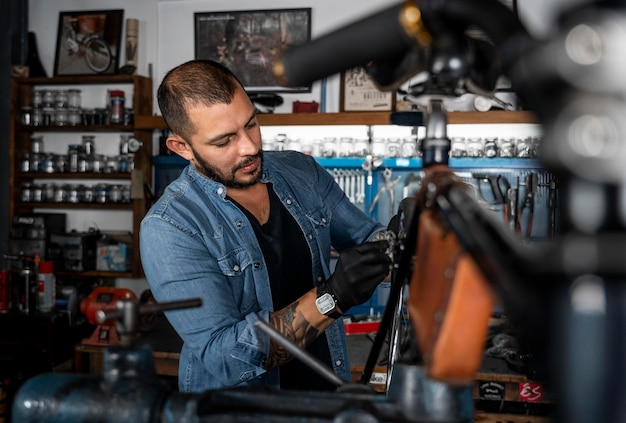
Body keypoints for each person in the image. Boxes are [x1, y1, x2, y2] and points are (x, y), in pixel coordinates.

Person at [140, 59, 392, 393]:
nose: (250, 147)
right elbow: (226, 357)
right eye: (224, 141)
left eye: (252, 124)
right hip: (242, 412)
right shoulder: (170, 227)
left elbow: (370, 241)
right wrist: (332, 297)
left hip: (326, 395)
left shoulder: (301, 173)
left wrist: (402, 237)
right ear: (182, 147)